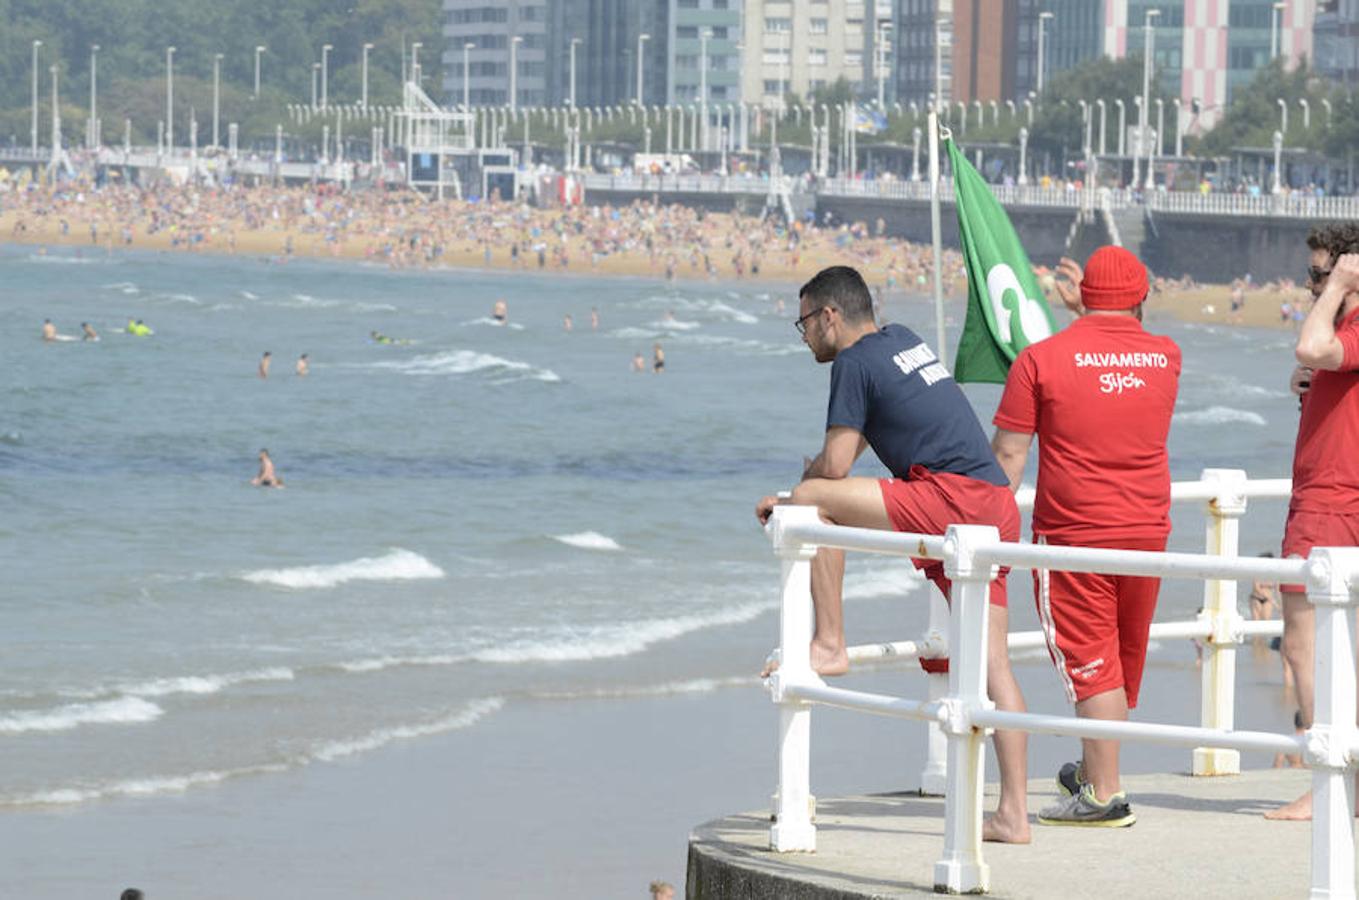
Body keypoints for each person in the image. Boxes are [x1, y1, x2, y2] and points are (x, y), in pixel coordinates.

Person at [755, 266, 1030, 843]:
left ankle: (829, 643)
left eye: (803, 322)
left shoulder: (853, 363)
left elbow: (833, 469)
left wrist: (788, 498)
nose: (803, 335)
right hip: (995, 504)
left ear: (830, 316)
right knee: (994, 665)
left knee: (809, 502)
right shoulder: (903, 338)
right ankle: (1014, 813)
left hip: (951, 498)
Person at [991, 246, 1180, 829]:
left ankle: (1104, 793)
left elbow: (1009, 454)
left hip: (1074, 531)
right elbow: (1123, 346)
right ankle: (1098, 775)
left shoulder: (1040, 360)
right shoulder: (1167, 356)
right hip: (1147, 529)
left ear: (1084, 296)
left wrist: (986, 528)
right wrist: (1095, 312)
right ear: (1143, 297)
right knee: (1117, 665)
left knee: (1092, 665)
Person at [1267, 225, 1359, 821]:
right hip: (1330, 499)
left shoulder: (1349, 326)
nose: (1311, 286)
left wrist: (1342, 287)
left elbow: (1309, 348)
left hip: (1330, 504)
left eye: (1321, 274)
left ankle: (1329, 785)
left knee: (1303, 646)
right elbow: (1314, 363)